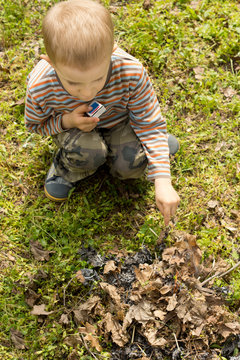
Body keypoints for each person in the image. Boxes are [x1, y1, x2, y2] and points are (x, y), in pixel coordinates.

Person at [24, 0, 180, 225]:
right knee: (90, 153)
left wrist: (163, 180)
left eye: (98, 79)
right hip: (73, 131)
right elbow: (35, 126)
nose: (88, 93)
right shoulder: (41, 86)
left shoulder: (130, 72)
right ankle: (64, 170)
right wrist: (67, 121)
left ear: (112, 52)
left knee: (130, 167)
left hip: (119, 123)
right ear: (50, 63)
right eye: (73, 83)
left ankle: (152, 148)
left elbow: (148, 122)